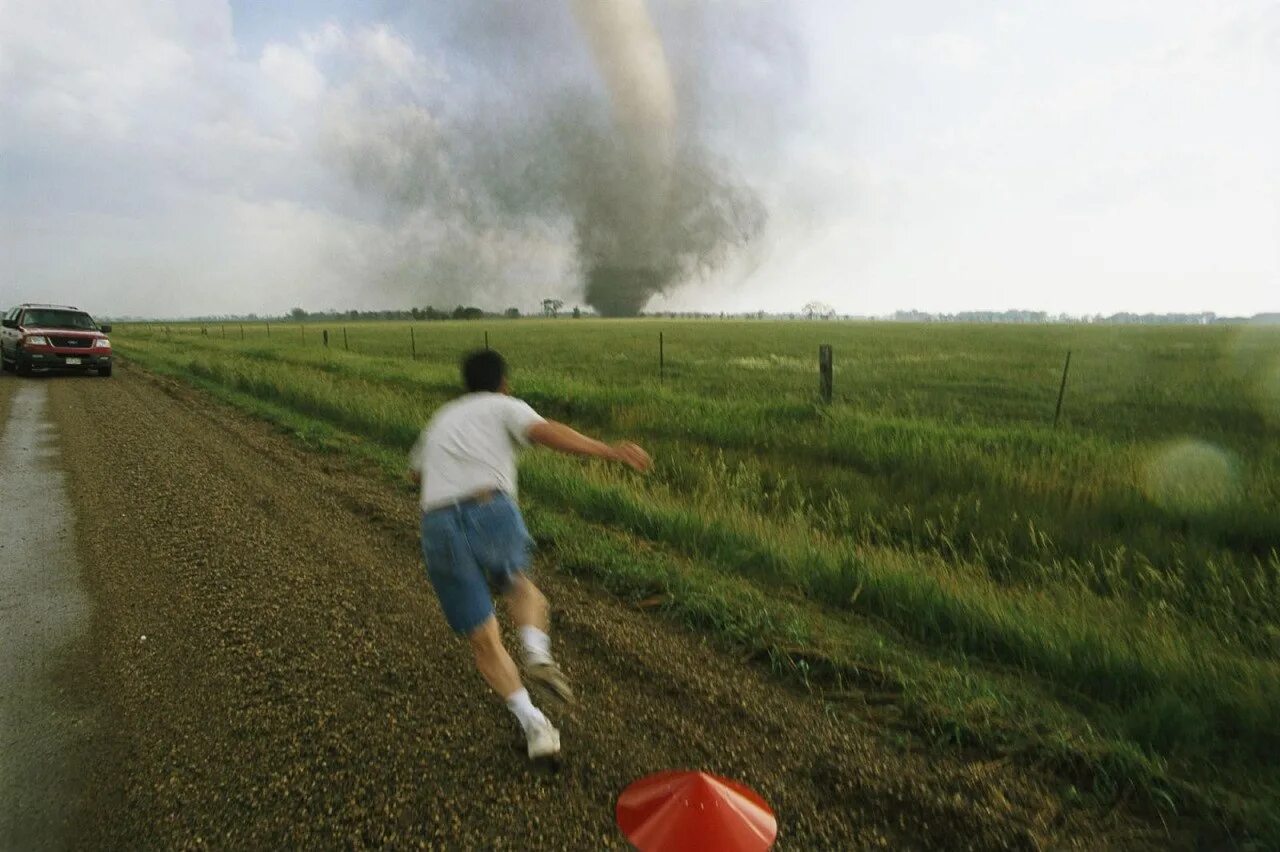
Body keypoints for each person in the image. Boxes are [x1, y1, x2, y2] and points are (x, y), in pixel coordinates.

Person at [409, 350, 651, 760]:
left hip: (436, 524)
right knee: (519, 586)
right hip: (488, 507)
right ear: (504, 383)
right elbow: (544, 431)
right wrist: (608, 451)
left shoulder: (442, 417)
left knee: (483, 638)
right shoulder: (505, 405)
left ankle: (534, 725)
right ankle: (537, 655)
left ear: (466, 383)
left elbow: (416, 474)